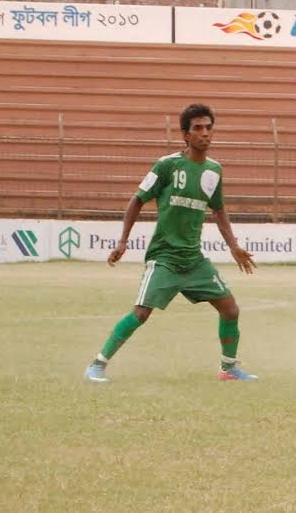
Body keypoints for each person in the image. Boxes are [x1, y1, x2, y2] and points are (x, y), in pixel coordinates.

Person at [84, 103, 258, 383]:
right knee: (141, 313)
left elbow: (219, 211)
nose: (205, 133)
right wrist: (123, 241)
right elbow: (137, 200)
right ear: (185, 135)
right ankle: (97, 364)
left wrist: (234, 246)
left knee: (230, 308)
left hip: (193, 260)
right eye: (197, 128)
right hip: (164, 258)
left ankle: (228, 369)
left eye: (209, 128)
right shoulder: (167, 165)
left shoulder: (214, 170)